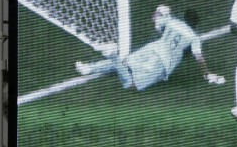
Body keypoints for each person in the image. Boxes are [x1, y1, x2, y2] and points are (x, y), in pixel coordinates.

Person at [75, 5, 226, 90]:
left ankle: (88, 68)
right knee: (130, 85)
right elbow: (199, 58)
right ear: (196, 23)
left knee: (125, 64)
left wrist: (159, 12)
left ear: (184, 16)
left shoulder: (172, 22)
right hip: (162, 63)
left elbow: (156, 23)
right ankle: (113, 55)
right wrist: (208, 73)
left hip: (152, 48)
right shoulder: (194, 37)